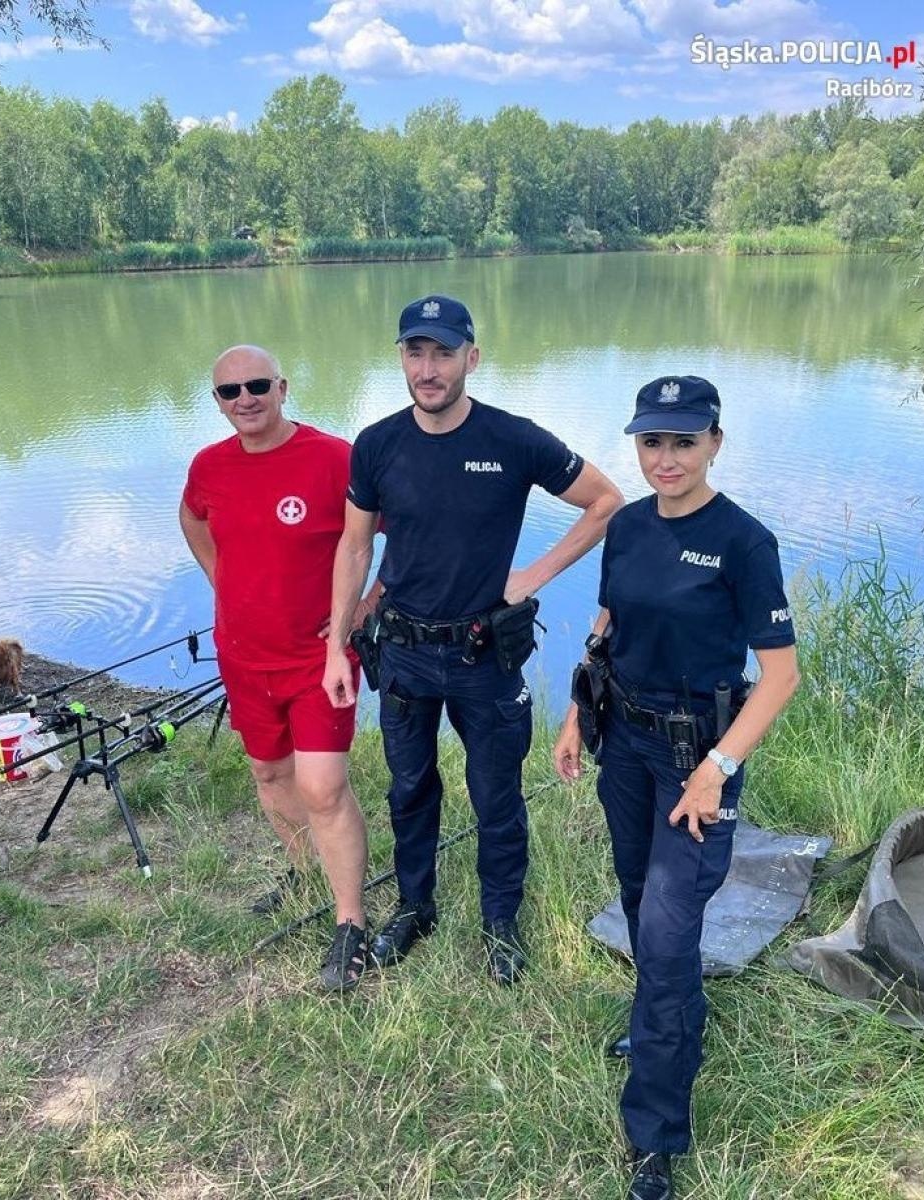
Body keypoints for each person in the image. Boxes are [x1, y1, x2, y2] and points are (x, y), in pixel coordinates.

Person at [323, 295, 623, 985]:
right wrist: (337, 645)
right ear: (401, 358)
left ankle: (501, 922)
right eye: (415, 352)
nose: (428, 369)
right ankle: (415, 906)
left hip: (484, 654)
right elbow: (354, 546)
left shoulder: (513, 440)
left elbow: (606, 501)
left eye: (443, 353)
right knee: (409, 786)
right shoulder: (376, 445)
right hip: (400, 653)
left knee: (495, 795)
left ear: (472, 358)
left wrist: (536, 573)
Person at [553, 376, 800, 1200]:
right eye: (652, 442)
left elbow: (780, 676)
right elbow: (608, 624)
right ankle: (669, 1023)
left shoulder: (744, 542)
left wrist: (716, 768)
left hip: (699, 762)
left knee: (664, 933)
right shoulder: (624, 528)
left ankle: (654, 1136)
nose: (665, 459)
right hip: (624, 744)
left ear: (715, 443)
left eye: (683, 442)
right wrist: (575, 715)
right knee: (636, 900)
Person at [179, 344, 375, 992]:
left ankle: (350, 921)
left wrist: (365, 608)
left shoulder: (333, 457)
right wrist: (220, 578)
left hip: (318, 660)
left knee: (322, 787)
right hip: (243, 656)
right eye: (229, 392)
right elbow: (192, 519)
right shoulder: (209, 466)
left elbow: (395, 532)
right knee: (269, 772)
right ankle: (303, 870)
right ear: (217, 402)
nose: (245, 400)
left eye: (257, 385)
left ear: (283, 387)